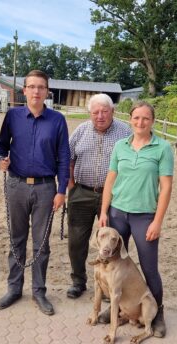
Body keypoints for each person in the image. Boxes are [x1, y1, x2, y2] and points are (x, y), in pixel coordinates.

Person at [0, 70, 70, 316]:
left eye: (41, 87)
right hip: (15, 185)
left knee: (42, 244)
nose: (36, 91)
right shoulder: (13, 116)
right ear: (24, 90)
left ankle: (39, 291)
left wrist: (61, 191)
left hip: (46, 188)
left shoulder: (57, 120)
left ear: (47, 91)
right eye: (32, 86)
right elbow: (0, 144)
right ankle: (14, 288)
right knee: (16, 239)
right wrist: (0, 158)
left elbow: (64, 157)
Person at [98, 101, 174, 338]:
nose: (140, 122)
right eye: (136, 118)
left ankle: (157, 312)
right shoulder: (120, 146)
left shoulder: (162, 148)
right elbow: (110, 180)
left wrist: (157, 221)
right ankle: (117, 306)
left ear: (153, 121)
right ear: (130, 120)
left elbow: (166, 187)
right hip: (118, 213)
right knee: (114, 263)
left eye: (145, 118)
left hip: (144, 217)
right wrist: (103, 211)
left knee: (149, 267)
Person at [66, 93, 131, 299]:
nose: (100, 116)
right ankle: (78, 281)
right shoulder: (80, 131)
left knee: (113, 242)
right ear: (90, 113)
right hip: (82, 192)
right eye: (95, 112)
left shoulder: (125, 132)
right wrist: (71, 185)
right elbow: (68, 158)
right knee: (77, 241)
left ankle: (110, 283)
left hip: (114, 197)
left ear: (112, 111)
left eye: (104, 111)